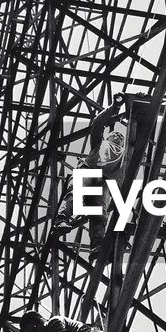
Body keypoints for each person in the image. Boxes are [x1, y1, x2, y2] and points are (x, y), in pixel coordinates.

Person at [54, 96, 129, 257]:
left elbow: (136, 145)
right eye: (115, 135)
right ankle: (61, 220)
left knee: (99, 213)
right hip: (89, 171)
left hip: (105, 181)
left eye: (121, 137)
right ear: (109, 138)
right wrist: (114, 107)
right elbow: (97, 123)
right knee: (75, 195)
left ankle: (97, 246)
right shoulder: (100, 144)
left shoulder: (124, 154)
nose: (118, 137)